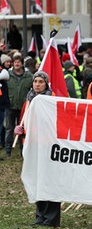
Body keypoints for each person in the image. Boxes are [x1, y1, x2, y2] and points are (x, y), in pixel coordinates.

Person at [14, 71, 61, 227]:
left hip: (48, 146)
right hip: (32, 145)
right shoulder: (29, 100)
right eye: (35, 81)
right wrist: (20, 129)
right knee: (37, 180)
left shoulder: (52, 99)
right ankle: (40, 215)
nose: (37, 84)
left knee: (50, 181)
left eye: (41, 81)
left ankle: (51, 217)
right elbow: (24, 119)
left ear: (46, 83)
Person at [5, 54, 33, 157]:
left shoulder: (29, 76)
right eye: (15, 62)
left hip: (23, 108)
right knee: (9, 129)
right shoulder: (7, 75)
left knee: (22, 130)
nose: (17, 64)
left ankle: (23, 150)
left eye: (19, 62)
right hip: (10, 106)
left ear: (22, 64)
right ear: (13, 63)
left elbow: (33, 89)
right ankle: (8, 151)